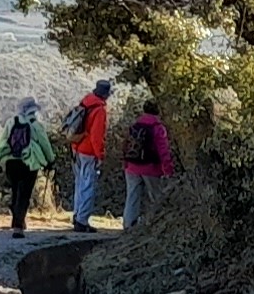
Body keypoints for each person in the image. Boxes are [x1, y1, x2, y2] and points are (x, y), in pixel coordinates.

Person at [61, 77, 114, 230]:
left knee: (79, 184)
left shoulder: (86, 102)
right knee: (88, 185)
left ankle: (77, 215)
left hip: (76, 147)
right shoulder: (99, 110)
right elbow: (96, 137)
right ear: (106, 95)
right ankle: (82, 221)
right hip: (89, 151)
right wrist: (100, 155)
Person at [119, 91, 177, 227]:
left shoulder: (135, 125)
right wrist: (168, 170)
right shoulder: (158, 128)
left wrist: (125, 163)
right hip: (151, 168)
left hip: (132, 166)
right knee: (156, 197)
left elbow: (126, 145)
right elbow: (163, 151)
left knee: (132, 196)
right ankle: (155, 225)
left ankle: (128, 225)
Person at [0, 96, 46, 235]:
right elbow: (45, 144)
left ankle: (16, 220)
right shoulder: (35, 125)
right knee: (24, 194)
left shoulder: (11, 122)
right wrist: (50, 161)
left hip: (11, 162)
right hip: (29, 163)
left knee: (16, 192)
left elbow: (2, 142)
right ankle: (18, 226)